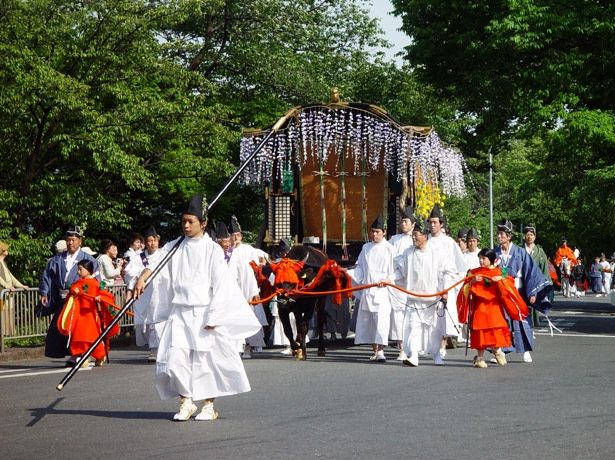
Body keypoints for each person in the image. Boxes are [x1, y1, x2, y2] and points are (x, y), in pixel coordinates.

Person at [133, 195, 261, 422]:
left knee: (205, 361)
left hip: (204, 312)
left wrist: (215, 315)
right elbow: (155, 263)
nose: (185, 225)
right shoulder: (174, 246)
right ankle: (186, 401)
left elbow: (221, 283)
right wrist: (143, 277)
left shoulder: (212, 249)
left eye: (190, 221)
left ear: (202, 223)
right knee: (174, 359)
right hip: (179, 312)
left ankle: (209, 406)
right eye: (183, 221)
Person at [393, 221, 456, 366]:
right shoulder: (408, 253)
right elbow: (400, 272)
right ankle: (413, 355)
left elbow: (448, 271)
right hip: (414, 297)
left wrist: (445, 289)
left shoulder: (437, 252)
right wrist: (388, 279)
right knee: (413, 325)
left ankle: (436, 355)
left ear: (425, 236)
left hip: (432, 298)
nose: (413, 238)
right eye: (413, 235)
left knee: (433, 328)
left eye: (416, 235)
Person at [457, 248, 529, 368]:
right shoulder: (473, 272)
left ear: (491, 260)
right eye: (479, 258)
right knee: (480, 332)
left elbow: (509, 279)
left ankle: (497, 351)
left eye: (483, 258)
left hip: (494, 307)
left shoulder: (500, 272)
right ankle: (480, 358)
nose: (480, 260)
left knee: (495, 330)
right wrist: (472, 281)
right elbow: (465, 287)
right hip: (480, 307)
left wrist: (500, 279)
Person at [39, 225, 99, 362]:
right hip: (62, 298)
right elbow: (47, 276)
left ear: (80, 241)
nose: (70, 242)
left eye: (73, 240)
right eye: (68, 240)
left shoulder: (89, 259)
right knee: (61, 326)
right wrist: (44, 292)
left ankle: (80, 354)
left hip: (80, 299)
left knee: (77, 328)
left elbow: (97, 281)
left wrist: (89, 292)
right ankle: (72, 354)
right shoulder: (57, 259)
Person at [494, 219, 551, 363]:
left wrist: (532, 292)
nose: (499, 237)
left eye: (501, 234)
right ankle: (501, 351)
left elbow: (530, 272)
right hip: (501, 292)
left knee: (521, 319)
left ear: (509, 235)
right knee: (502, 321)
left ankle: (525, 350)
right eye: (498, 234)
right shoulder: (495, 252)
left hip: (517, 291)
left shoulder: (520, 252)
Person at [347, 215, 395, 362]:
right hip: (368, 289)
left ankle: (381, 351)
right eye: (372, 231)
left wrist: (387, 279)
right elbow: (360, 267)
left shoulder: (389, 249)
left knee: (381, 321)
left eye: (377, 232)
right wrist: (349, 272)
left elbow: (396, 270)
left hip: (382, 290)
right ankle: (374, 350)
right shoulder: (366, 248)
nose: (374, 234)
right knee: (369, 322)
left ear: (384, 232)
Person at [55, 259, 117, 367]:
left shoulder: (99, 283)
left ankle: (99, 355)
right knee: (79, 336)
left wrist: (100, 297)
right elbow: (72, 292)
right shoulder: (77, 284)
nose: (78, 272)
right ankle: (82, 355)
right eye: (78, 269)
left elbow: (107, 295)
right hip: (80, 314)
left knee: (92, 336)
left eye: (80, 269)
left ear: (88, 270)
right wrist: (74, 291)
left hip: (92, 314)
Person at [427, 205, 467, 353]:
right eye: (430, 222)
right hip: (430, 280)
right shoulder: (427, 241)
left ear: (441, 224)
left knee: (444, 312)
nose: (432, 225)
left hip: (445, 281)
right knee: (430, 313)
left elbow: (459, 265)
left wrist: (452, 284)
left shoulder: (448, 242)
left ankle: (443, 344)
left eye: (435, 222)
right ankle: (431, 344)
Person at [132, 226, 165, 361]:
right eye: (150, 241)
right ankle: (152, 346)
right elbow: (131, 273)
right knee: (143, 321)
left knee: (156, 320)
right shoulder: (138, 257)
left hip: (159, 292)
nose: (153, 243)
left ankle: (155, 349)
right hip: (143, 293)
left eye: (154, 240)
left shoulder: (163, 254)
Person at [388, 207, 416, 360]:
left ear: (413, 224)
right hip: (398, 283)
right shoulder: (394, 239)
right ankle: (401, 347)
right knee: (398, 316)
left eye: (406, 221)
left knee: (413, 316)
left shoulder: (418, 238)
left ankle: (414, 347)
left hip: (414, 284)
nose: (403, 224)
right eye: (402, 221)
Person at [523, 224, 553, 325]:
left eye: (531, 234)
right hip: (523, 281)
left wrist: (547, 283)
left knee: (535, 302)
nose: (529, 237)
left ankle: (535, 321)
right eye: (527, 234)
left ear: (535, 237)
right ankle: (525, 322)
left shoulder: (540, 251)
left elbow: (545, 269)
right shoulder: (520, 250)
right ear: (524, 236)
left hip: (536, 282)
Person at [0, 241, 29, 336]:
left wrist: (21, 286)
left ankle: (4, 340)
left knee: (7, 314)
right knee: (1, 315)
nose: (7, 250)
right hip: (2, 295)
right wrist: (7, 287)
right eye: (5, 249)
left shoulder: (3, 263)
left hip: (7, 295)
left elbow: (11, 277)